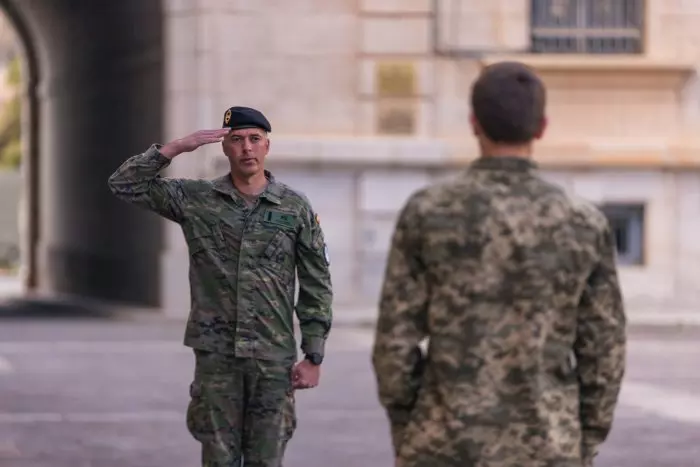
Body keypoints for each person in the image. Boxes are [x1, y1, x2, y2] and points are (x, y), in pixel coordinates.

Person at [371, 61, 627, 467]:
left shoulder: (428, 211)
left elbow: (394, 341)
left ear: (474, 123)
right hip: (547, 444)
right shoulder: (583, 222)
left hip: (443, 443)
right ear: (541, 127)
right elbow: (604, 348)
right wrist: (584, 439)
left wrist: (410, 428)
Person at [107, 106, 333, 466]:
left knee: (267, 459)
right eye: (237, 140)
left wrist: (314, 354)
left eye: (254, 140)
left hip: (272, 357)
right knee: (218, 458)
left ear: (267, 147)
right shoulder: (197, 200)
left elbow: (316, 281)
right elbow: (124, 184)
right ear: (224, 148)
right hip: (217, 357)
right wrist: (177, 147)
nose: (246, 148)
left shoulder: (294, 208)